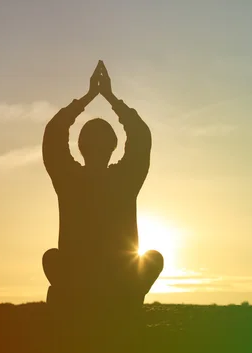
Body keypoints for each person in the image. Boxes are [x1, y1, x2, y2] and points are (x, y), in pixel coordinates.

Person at [42, 60, 164, 312]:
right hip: (117, 286)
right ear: (113, 147)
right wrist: (110, 98)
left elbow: (53, 133)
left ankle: (82, 306)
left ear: (80, 147)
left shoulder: (69, 179)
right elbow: (140, 136)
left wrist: (87, 98)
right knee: (152, 259)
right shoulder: (125, 179)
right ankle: (117, 304)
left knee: (52, 258)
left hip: (81, 285)